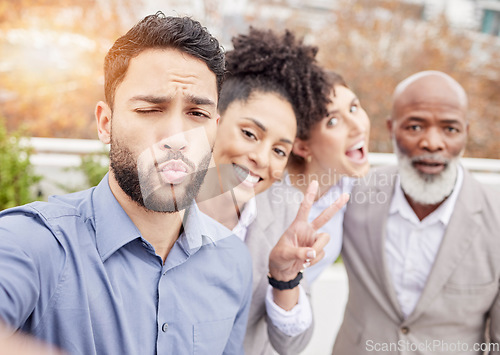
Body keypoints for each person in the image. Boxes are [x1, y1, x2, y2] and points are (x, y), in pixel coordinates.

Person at [0, 12, 253, 354]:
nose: (177, 138)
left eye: (197, 114)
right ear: (105, 123)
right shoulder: (36, 242)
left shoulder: (233, 260)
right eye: (150, 109)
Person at [197, 28, 349, 354]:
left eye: (280, 150)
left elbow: (292, 343)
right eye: (250, 134)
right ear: (214, 121)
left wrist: (284, 277)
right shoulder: (162, 199)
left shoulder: (287, 214)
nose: (262, 159)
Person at [333, 70, 500, 354]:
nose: (432, 143)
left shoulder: (495, 218)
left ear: (466, 133)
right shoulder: (352, 194)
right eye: (414, 127)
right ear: (391, 128)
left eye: (450, 129)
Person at [261, 71, 371, 284]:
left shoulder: (348, 183)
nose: (358, 126)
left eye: (354, 108)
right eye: (333, 121)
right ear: (302, 146)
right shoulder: (268, 195)